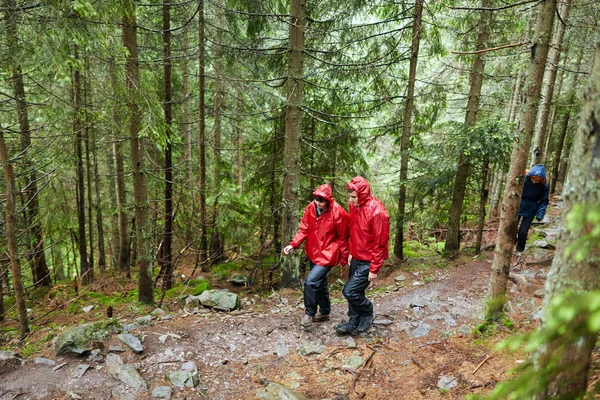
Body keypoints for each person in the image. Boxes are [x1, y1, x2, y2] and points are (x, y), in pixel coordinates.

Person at [284, 184, 349, 328]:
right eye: (316, 199)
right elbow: (304, 228)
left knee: (310, 282)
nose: (318, 203)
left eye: (321, 200)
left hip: (328, 254)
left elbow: (344, 237)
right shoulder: (311, 208)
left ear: (328, 200)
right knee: (320, 283)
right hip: (313, 251)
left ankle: (310, 313)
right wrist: (293, 244)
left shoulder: (338, 212)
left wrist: (344, 258)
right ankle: (325, 312)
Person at [335, 176, 390, 335]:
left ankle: (367, 312)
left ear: (363, 194)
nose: (350, 200)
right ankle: (353, 321)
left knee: (349, 291)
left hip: (369, 260)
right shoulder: (355, 206)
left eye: (353, 197)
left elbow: (380, 242)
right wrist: (351, 251)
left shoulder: (378, 212)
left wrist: (374, 268)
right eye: (349, 196)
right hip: (357, 256)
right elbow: (354, 230)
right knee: (355, 291)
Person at [516, 164, 549, 256]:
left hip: (531, 208)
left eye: (538, 179)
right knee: (512, 228)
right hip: (518, 206)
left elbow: (544, 201)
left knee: (523, 231)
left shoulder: (545, 185)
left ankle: (520, 249)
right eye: (534, 178)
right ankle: (511, 244)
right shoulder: (524, 179)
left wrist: (540, 214)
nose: (535, 180)